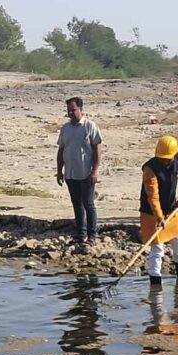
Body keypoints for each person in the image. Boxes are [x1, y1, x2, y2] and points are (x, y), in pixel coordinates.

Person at [140, 136, 178, 286]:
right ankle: (155, 285)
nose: (164, 161)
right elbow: (153, 196)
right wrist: (159, 216)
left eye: (167, 159)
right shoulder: (149, 169)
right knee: (157, 248)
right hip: (151, 211)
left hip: (171, 208)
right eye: (161, 158)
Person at [56, 97, 102, 247]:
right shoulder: (65, 129)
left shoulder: (90, 126)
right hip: (70, 173)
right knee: (77, 205)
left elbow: (97, 149)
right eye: (68, 110)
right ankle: (80, 235)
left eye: (73, 110)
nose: (70, 113)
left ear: (81, 110)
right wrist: (59, 171)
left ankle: (92, 236)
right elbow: (61, 150)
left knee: (88, 204)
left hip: (86, 173)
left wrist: (95, 171)